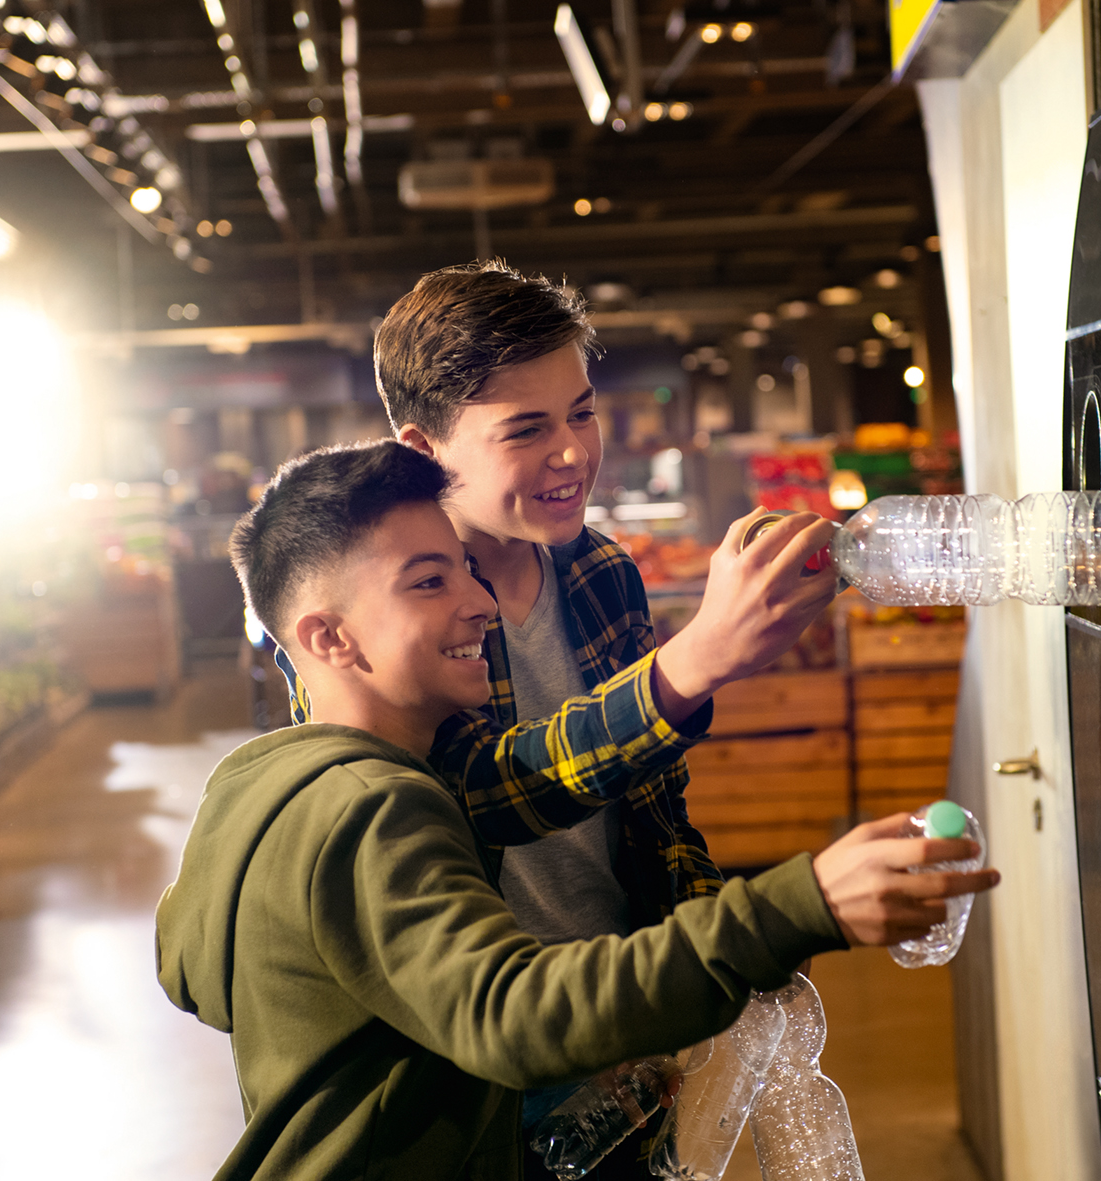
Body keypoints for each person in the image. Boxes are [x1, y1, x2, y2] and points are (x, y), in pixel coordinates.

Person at [156, 441, 999, 1181]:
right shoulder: (370, 806)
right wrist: (799, 903)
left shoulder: (254, 782)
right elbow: (509, 1014)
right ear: (330, 639)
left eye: (461, 567)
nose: (477, 601)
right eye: (428, 581)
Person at [273, 261, 841, 1175]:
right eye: (527, 429)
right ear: (424, 449)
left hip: (622, 1027)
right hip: (476, 1058)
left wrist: (713, 957)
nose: (573, 451)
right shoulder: (376, 620)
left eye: (581, 410)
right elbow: (471, 795)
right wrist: (693, 662)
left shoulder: (599, 570)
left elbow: (654, 807)